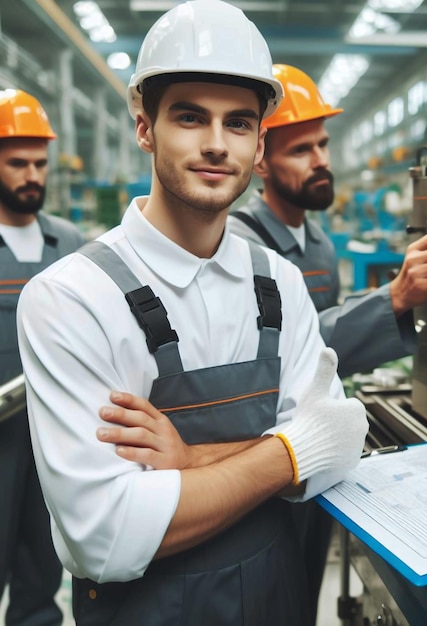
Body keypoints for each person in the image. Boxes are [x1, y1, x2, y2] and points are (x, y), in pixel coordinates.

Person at [16, 2, 368, 625]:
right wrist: (291, 451)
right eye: (188, 116)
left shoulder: (279, 285)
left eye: (238, 123)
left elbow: (341, 445)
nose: (214, 144)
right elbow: (106, 537)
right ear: (145, 126)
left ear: (260, 143)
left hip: (279, 602)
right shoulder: (71, 298)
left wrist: (192, 459)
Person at [228, 63, 427, 621]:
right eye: (301, 150)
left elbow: (322, 354)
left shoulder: (319, 244)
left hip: (315, 453)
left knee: (305, 590)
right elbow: (292, 359)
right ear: (260, 159)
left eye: (323, 145)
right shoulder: (239, 246)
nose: (322, 162)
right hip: (259, 461)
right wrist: (393, 298)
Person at [0, 88, 85, 625]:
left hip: (51, 438)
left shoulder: (70, 242)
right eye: (16, 163)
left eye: (39, 163)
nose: (32, 174)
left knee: (43, 570)